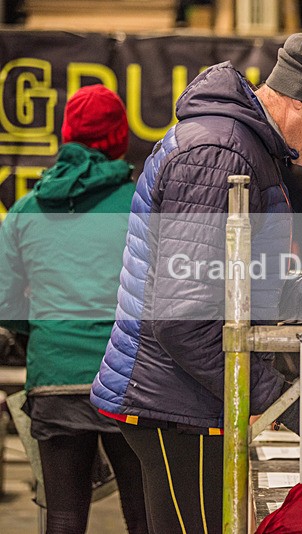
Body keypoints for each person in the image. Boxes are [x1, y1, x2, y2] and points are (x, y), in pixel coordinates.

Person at [89, 34, 302, 534]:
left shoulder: (242, 146)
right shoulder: (219, 154)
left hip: (191, 394)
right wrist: (280, 399)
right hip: (178, 402)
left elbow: (240, 281)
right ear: (300, 99)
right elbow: (184, 317)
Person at [0, 85, 148, 534]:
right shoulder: (142, 206)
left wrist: (44, 340)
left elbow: (7, 307)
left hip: (54, 380)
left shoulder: (24, 210)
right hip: (128, 382)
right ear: (120, 137)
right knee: (144, 517)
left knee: (63, 519)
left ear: (66, 135)